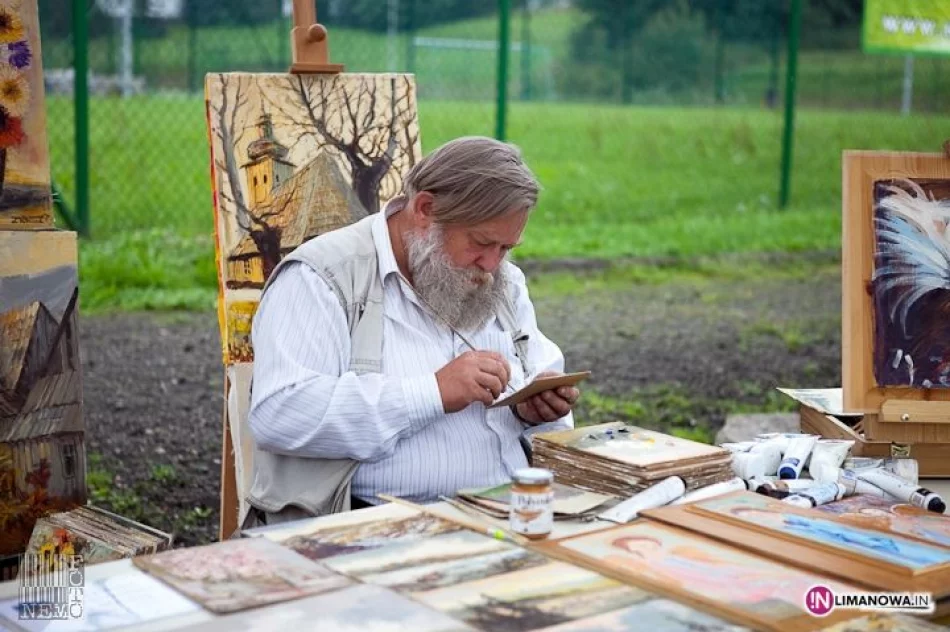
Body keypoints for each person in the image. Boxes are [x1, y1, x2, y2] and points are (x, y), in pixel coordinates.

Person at [243, 136, 580, 526]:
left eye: (506, 248)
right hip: (372, 529)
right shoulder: (323, 277)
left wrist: (534, 409)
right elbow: (279, 414)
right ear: (425, 209)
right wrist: (432, 392)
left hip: (509, 512)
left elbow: (540, 380)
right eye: (482, 242)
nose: (491, 264)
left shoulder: (503, 281)